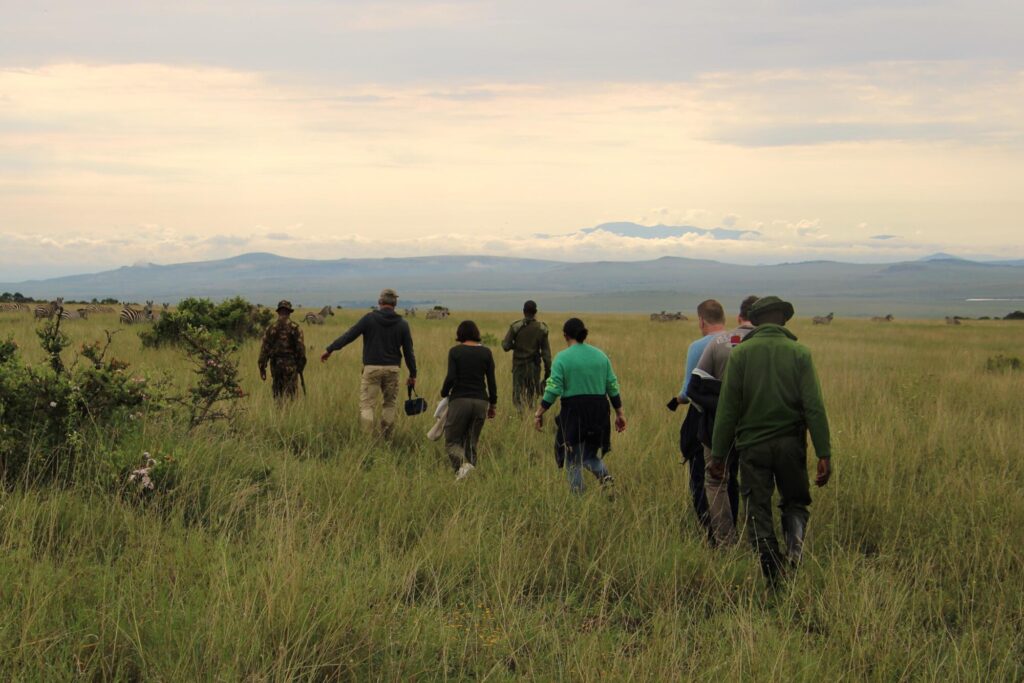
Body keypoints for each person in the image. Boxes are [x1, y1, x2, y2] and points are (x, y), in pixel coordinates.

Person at [710, 296, 832, 585]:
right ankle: (795, 550)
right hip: (791, 445)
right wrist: (824, 452)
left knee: (758, 507)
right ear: (783, 320)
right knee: (796, 502)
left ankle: (771, 572)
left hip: (752, 447)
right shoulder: (800, 353)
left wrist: (718, 455)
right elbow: (814, 407)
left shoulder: (741, 354)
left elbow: (728, 411)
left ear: (756, 321)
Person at [690, 295, 759, 547]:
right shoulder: (772, 345)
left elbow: (694, 387)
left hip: (718, 427)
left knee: (716, 481)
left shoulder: (719, 341)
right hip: (757, 429)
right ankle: (757, 541)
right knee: (755, 482)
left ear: (739, 317)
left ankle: (725, 541)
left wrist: (719, 408)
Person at [534, 318, 626, 494]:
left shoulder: (562, 357)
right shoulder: (601, 356)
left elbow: (553, 389)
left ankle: (578, 497)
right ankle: (607, 483)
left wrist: (539, 412)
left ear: (565, 335)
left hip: (574, 412)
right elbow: (612, 387)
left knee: (572, 459)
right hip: (600, 411)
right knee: (589, 455)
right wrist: (620, 413)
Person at [321, 288, 417, 436]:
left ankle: (367, 441)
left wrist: (330, 349)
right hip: (393, 369)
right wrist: (413, 374)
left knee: (367, 405)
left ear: (380, 302)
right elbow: (409, 352)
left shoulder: (369, 318)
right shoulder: (403, 323)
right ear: (395, 303)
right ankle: (387, 438)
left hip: (371, 368)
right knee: (390, 404)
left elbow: (349, 335)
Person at [677, 299, 727, 541]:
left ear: (702, 321)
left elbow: (688, 392)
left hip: (704, 420)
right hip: (736, 418)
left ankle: (712, 534)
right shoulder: (735, 342)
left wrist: (676, 399)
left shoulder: (698, 346)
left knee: (701, 478)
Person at [441, 320, 498, 480]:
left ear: (460, 334)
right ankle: (469, 473)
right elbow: (491, 381)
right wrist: (493, 404)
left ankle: (463, 469)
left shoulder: (455, 352)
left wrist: (444, 392)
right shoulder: (486, 352)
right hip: (481, 401)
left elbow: (451, 377)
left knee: (452, 441)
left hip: (460, 400)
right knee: (471, 442)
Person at [502, 300, 552, 408]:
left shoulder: (516, 327)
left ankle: (520, 417)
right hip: (534, 368)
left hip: (518, 367)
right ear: (535, 312)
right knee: (532, 396)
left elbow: (505, 346)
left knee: (517, 396)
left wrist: (516, 346)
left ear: (524, 311)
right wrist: (548, 373)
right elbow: (546, 355)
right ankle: (531, 418)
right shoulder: (542, 328)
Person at [258, 300, 306, 399]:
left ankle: (278, 413)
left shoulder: (270, 328)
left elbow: (264, 350)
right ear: (289, 312)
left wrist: (262, 367)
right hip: (291, 366)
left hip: (275, 366)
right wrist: (300, 366)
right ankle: (289, 413)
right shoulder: (295, 328)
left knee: (277, 394)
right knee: (291, 396)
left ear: (278, 312)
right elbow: (301, 349)